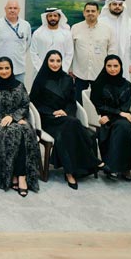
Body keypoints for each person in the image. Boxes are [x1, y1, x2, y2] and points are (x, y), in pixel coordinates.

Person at [30, 50, 101, 189]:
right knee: (73, 123)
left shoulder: (67, 79)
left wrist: (65, 112)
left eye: (58, 61)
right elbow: (34, 103)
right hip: (48, 119)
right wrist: (52, 112)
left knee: (66, 132)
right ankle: (92, 161)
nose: (55, 64)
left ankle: (70, 173)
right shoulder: (40, 79)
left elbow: (72, 102)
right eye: (52, 61)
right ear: (46, 62)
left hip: (65, 117)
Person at [0, 57, 40, 197]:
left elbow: (25, 105)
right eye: (1, 68)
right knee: (15, 132)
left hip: (16, 119)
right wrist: (4, 118)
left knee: (26, 130)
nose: (4, 71)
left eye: (7, 68)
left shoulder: (19, 85)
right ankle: (18, 176)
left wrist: (13, 117)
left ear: (12, 69)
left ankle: (19, 176)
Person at [90, 55, 131, 180]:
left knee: (123, 125)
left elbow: (125, 107)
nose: (112, 69)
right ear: (104, 67)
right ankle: (124, 168)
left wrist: (114, 115)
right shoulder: (98, 84)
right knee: (124, 128)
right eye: (109, 66)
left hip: (122, 117)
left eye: (116, 66)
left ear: (121, 67)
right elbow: (98, 105)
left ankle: (113, 167)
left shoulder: (127, 85)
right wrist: (114, 114)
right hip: (106, 118)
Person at [71, 1, 117, 102]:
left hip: (100, 72)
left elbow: (112, 51)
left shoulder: (108, 29)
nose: (90, 13)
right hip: (80, 72)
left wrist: (111, 69)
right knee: (79, 101)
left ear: (98, 13)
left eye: (93, 11)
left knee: (99, 101)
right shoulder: (75, 28)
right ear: (84, 13)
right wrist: (70, 68)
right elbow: (71, 50)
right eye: (88, 11)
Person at [0, 0, 31, 83]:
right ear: (5, 9)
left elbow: (27, 44)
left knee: (18, 91)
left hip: (19, 69)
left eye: (15, 8)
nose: (12, 10)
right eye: (10, 8)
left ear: (19, 10)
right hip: (0, 69)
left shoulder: (26, 25)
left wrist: (18, 53)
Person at [100, 0, 131, 80]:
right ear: (109, 6)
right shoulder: (101, 21)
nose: (117, 7)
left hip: (124, 60)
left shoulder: (129, 22)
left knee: (122, 83)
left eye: (120, 5)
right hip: (104, 60)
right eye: (114, 4)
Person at [30, 7, 73, 73]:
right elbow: (34, 53)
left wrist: (62, 69)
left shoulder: (66, 34)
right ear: (46, 17)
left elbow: (69, 54)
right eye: (50, 16)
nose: (53, 18)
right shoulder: (38, 33)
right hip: (41, 72)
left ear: (59, 17)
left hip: (61, 72)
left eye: (55, 16)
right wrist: (42, 69)